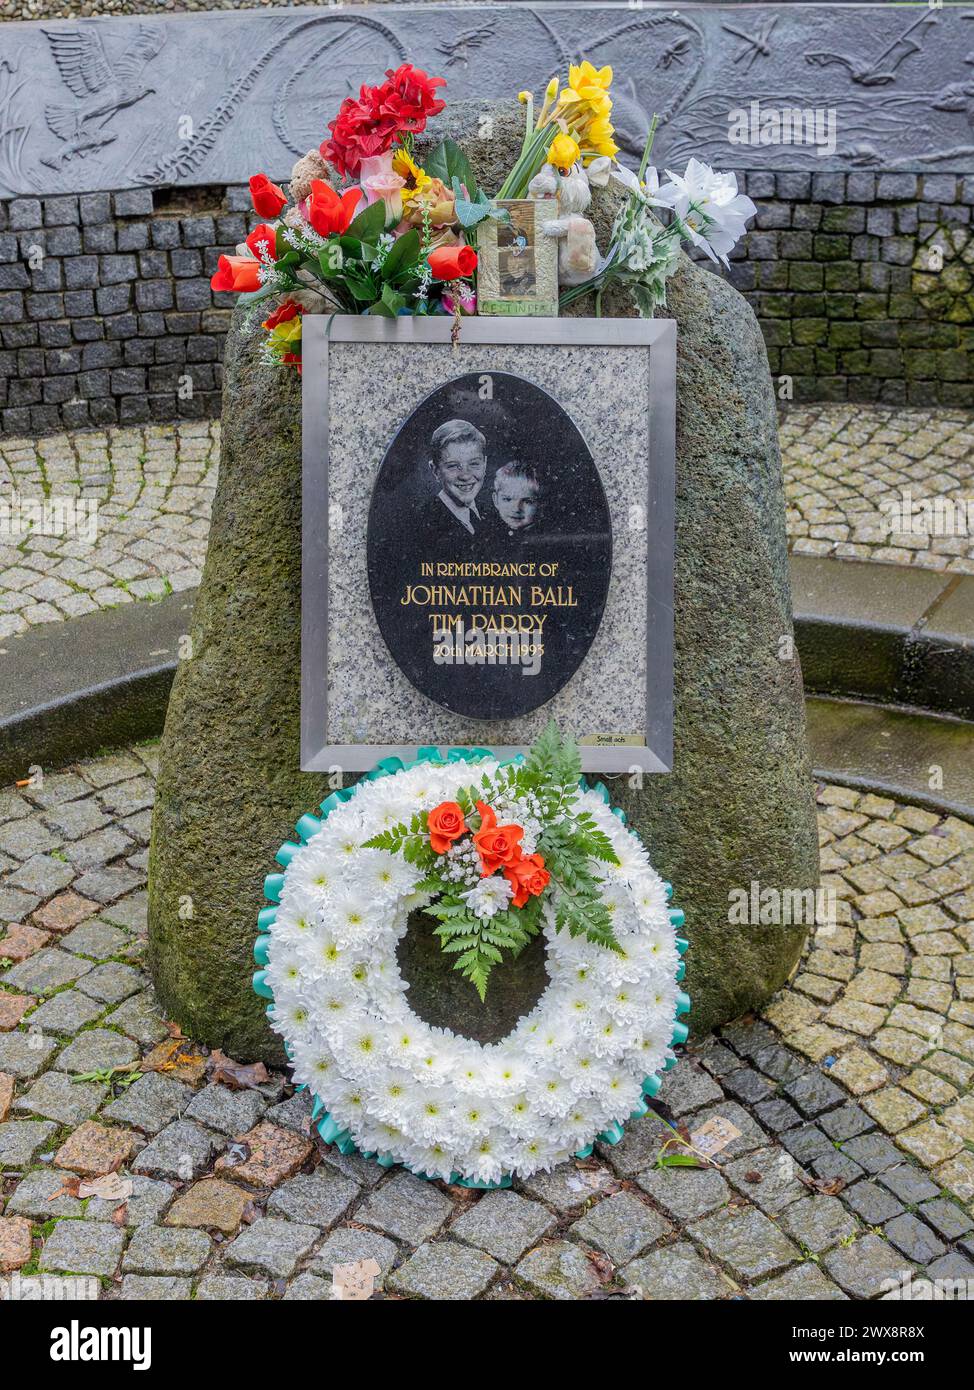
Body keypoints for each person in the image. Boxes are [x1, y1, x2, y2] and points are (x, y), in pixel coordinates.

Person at [417, 418, 488, 544]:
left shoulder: (495, 515)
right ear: (435, 470)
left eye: (474, 464)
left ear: (485, 464)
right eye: (453, 466)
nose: (465, 476)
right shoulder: (419, 524)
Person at [489, 460, 541, 541]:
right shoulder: (489, 536)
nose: (516, 508)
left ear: (540, 503)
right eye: (507, 499)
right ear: (495, 500)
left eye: (527, 501)